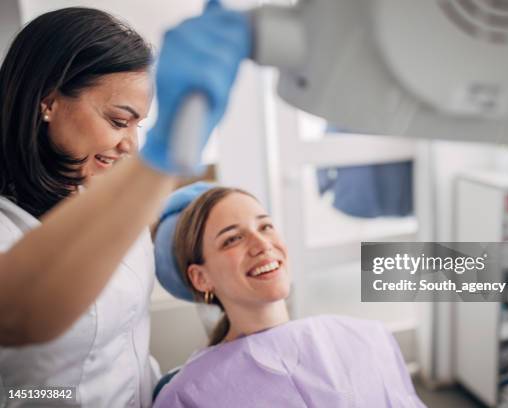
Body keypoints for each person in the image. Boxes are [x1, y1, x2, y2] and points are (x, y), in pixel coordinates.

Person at [0, 2, 250, 407]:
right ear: (48, 101)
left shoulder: (99, 197)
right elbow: (20, 315)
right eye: (119, 121)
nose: (130, 144)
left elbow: (125, 330)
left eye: (139, 125)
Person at [152, 183, 427, 407]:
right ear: (201, 277)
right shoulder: (188, 396)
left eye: (265, 226)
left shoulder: (366, 339)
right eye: (232, 239)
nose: (262, 244)